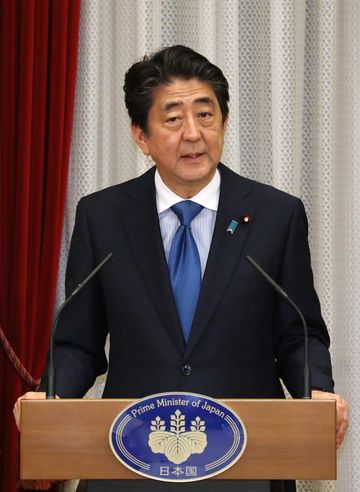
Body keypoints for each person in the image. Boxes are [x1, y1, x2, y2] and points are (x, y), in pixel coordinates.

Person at [14, 45, 348, 491]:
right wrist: (51, 397)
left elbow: (298, 333)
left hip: (245, 465)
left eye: (205, 115)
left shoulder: (275, 215)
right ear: (141, 135)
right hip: (129, 461)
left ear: (224, 122)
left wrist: (316, 392)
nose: (193, 134)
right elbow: (78, 341)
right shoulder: (104, 216)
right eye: (173, 119)